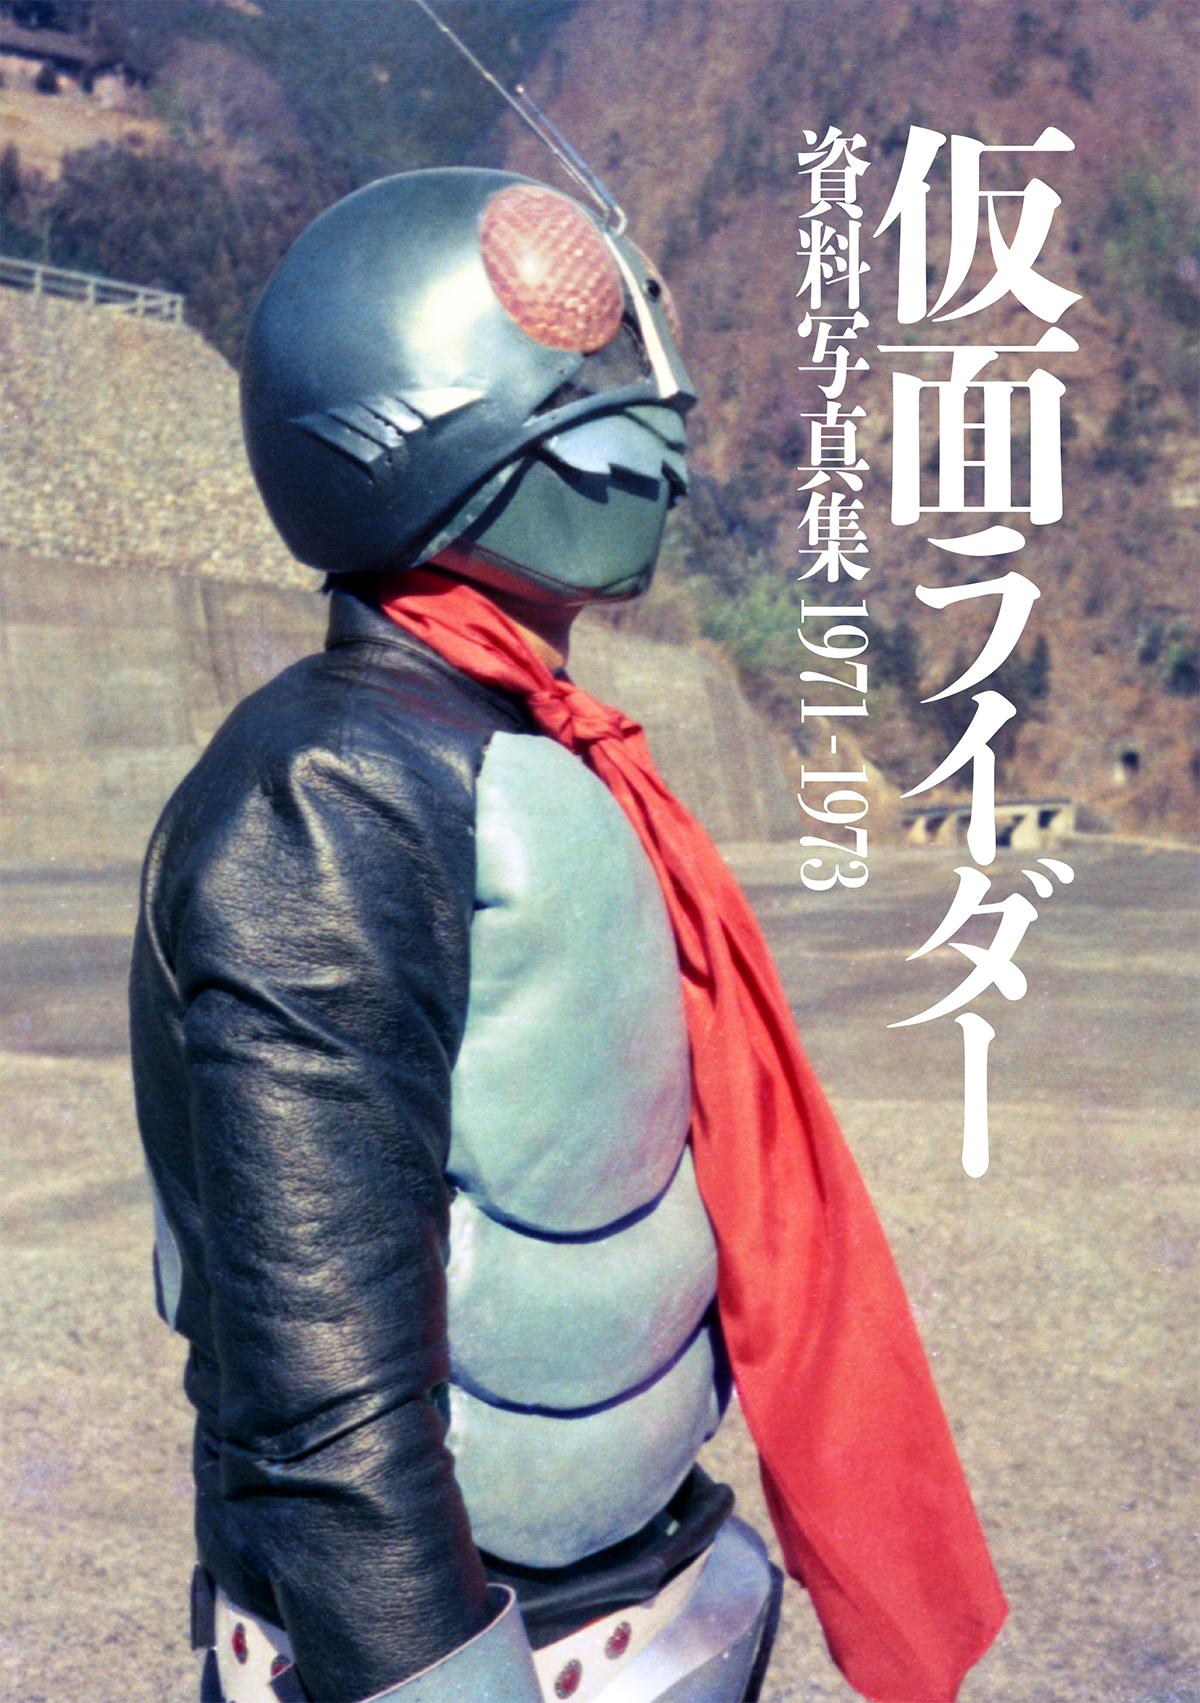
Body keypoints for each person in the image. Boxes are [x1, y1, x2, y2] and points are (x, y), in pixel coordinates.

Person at [129, 168, 1006, 1703]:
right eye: (581, 383)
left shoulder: (539, 745)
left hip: (644, 1587)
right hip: (473, 1649)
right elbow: (322, 1397)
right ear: (417, 418)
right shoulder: (327, 793)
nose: (654, 427)